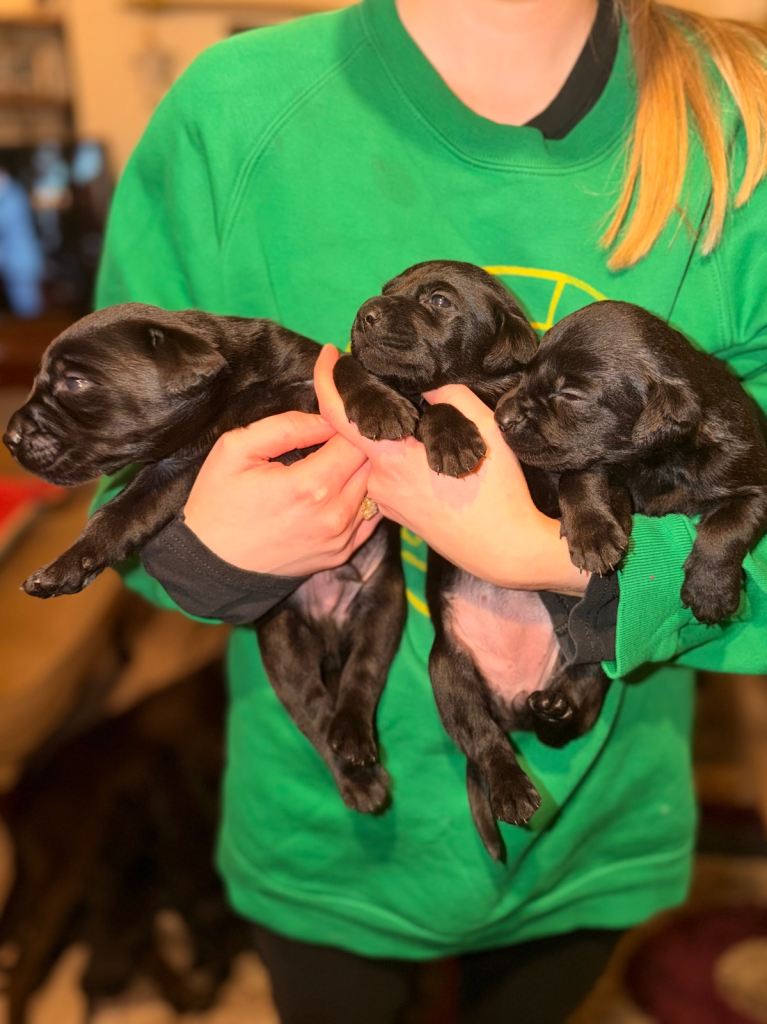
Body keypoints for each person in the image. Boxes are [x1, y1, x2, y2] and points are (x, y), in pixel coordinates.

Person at [93, 0, 767, 1019]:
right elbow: (118, 464)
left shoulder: (741, 131)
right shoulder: (229, 114)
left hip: (588, 837)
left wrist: (546, 554)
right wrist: (209, 547)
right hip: (326, 848)